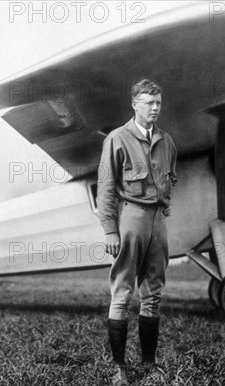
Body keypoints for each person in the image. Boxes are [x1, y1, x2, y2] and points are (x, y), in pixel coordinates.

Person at [97, 79, 177, 386]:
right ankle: (119, 368)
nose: (155, 108)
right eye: (149, 103)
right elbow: (105, 188)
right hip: (129, 217)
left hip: (158, 219)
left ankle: (148, 365)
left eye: (158, 103)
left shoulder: (166, 140)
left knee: (153, 294)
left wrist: (165, 205)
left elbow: (170, 177)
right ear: (135, 105)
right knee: (122, 293)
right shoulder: (117, 139)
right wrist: (109, 231)